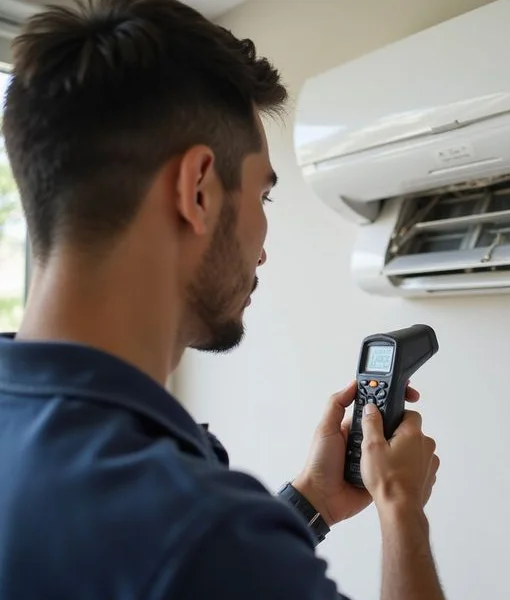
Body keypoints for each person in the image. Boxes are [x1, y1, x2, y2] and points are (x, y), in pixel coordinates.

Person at [0, 1, 444, 599]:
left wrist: (311, 502)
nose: (262, 249)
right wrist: (401, 506)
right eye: (263, 197)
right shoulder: (198, 531)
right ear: (200, 191)